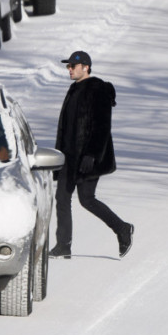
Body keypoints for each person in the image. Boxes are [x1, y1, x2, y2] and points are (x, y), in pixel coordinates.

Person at [50, 51, 133, 259]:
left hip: (87, 157)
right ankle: (63, 245)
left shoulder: (98, 89)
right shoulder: (73, 89)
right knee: (61, 198)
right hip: (68, 156)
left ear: (85, 67)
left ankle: (122, 228)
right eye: (68, 66)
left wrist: (92, 154)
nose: (69, 70)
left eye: (72, 66)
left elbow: (103, 126)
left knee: (87, 199)